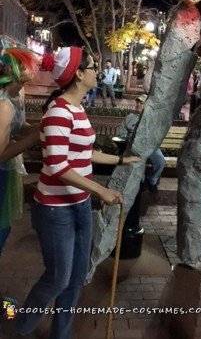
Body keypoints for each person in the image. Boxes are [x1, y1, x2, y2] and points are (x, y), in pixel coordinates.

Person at [16, 47, 139, 339]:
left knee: (74, 279)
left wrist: (122, 160)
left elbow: (85, 154)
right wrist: (101, 190)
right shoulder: (58, 111)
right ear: (79, 74)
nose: (98, 71)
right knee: (58, 279)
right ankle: (20, 325)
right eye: (93, 66)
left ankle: (62, 334)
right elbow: (58, 165)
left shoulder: (77, 108)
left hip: (80, 206)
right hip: (56, 210)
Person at [0, 45, 40, 256]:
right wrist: (34, 137)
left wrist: (41, 127)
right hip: (1, 171)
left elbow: (19, 127)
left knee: (4, 229)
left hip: (6, 172)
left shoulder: (15, 96)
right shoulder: (4, 105)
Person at [119, 94, 165, 193]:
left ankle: (152, 181)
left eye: (141, 103)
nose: (138, 104)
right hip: (133, 146)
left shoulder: (152, 118)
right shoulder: (130, 117)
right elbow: (121, 134)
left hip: (150, 147)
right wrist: (127, 140)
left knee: (160, 160)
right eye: (137, 102)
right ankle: (141, 182)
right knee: (138, 160)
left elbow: (158, 135)